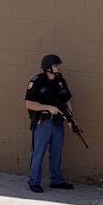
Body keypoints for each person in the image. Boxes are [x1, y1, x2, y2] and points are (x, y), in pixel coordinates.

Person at [24, 54, 75, 193]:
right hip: (43, 123)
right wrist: (47, 107)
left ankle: (57, 180)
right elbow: (29, 103)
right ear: (48, 68)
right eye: (56, 65)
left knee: (56, 152)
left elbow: (67, 100)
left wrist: (70, 119)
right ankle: (34, 181)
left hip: (58, 122)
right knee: (38, 153)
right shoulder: (37, 81)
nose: (58, 67)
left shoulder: (60, 81)